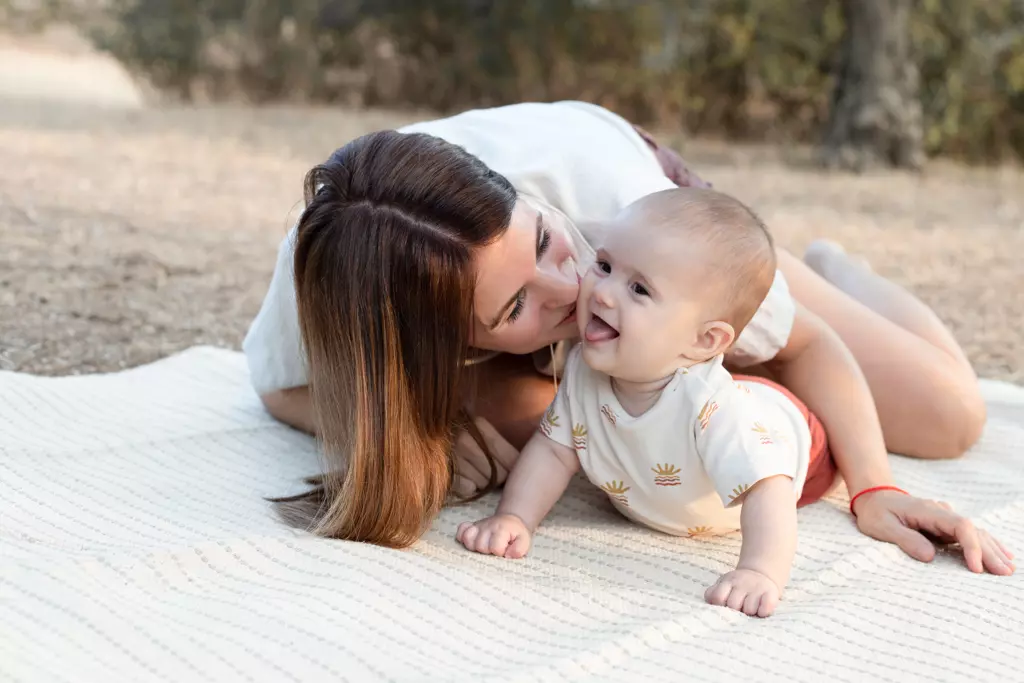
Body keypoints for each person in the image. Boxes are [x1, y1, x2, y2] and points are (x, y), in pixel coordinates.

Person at [243, 101, 992, 569]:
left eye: (541, 243)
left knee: (950, 415)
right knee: (581, 425)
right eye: (514, 309)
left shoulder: (621, 220)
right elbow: (283, 386)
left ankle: (832, 268)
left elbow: (810, 345)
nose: (573, 288)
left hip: (658, 227)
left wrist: (873, 487)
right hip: (488, 316)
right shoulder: (330, 279)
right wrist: (445, 408)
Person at [454, 187, 1014, 619]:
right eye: (603, 266)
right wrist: (515, 518)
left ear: (705, 342)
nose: (600, 291)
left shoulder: (714, 409)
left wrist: (760, 572)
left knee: (947, 413)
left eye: (639, 289)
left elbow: (768, 487)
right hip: (675, 365)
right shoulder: (582, 369)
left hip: (795, 438)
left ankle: (840, 272)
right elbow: (554, 451)